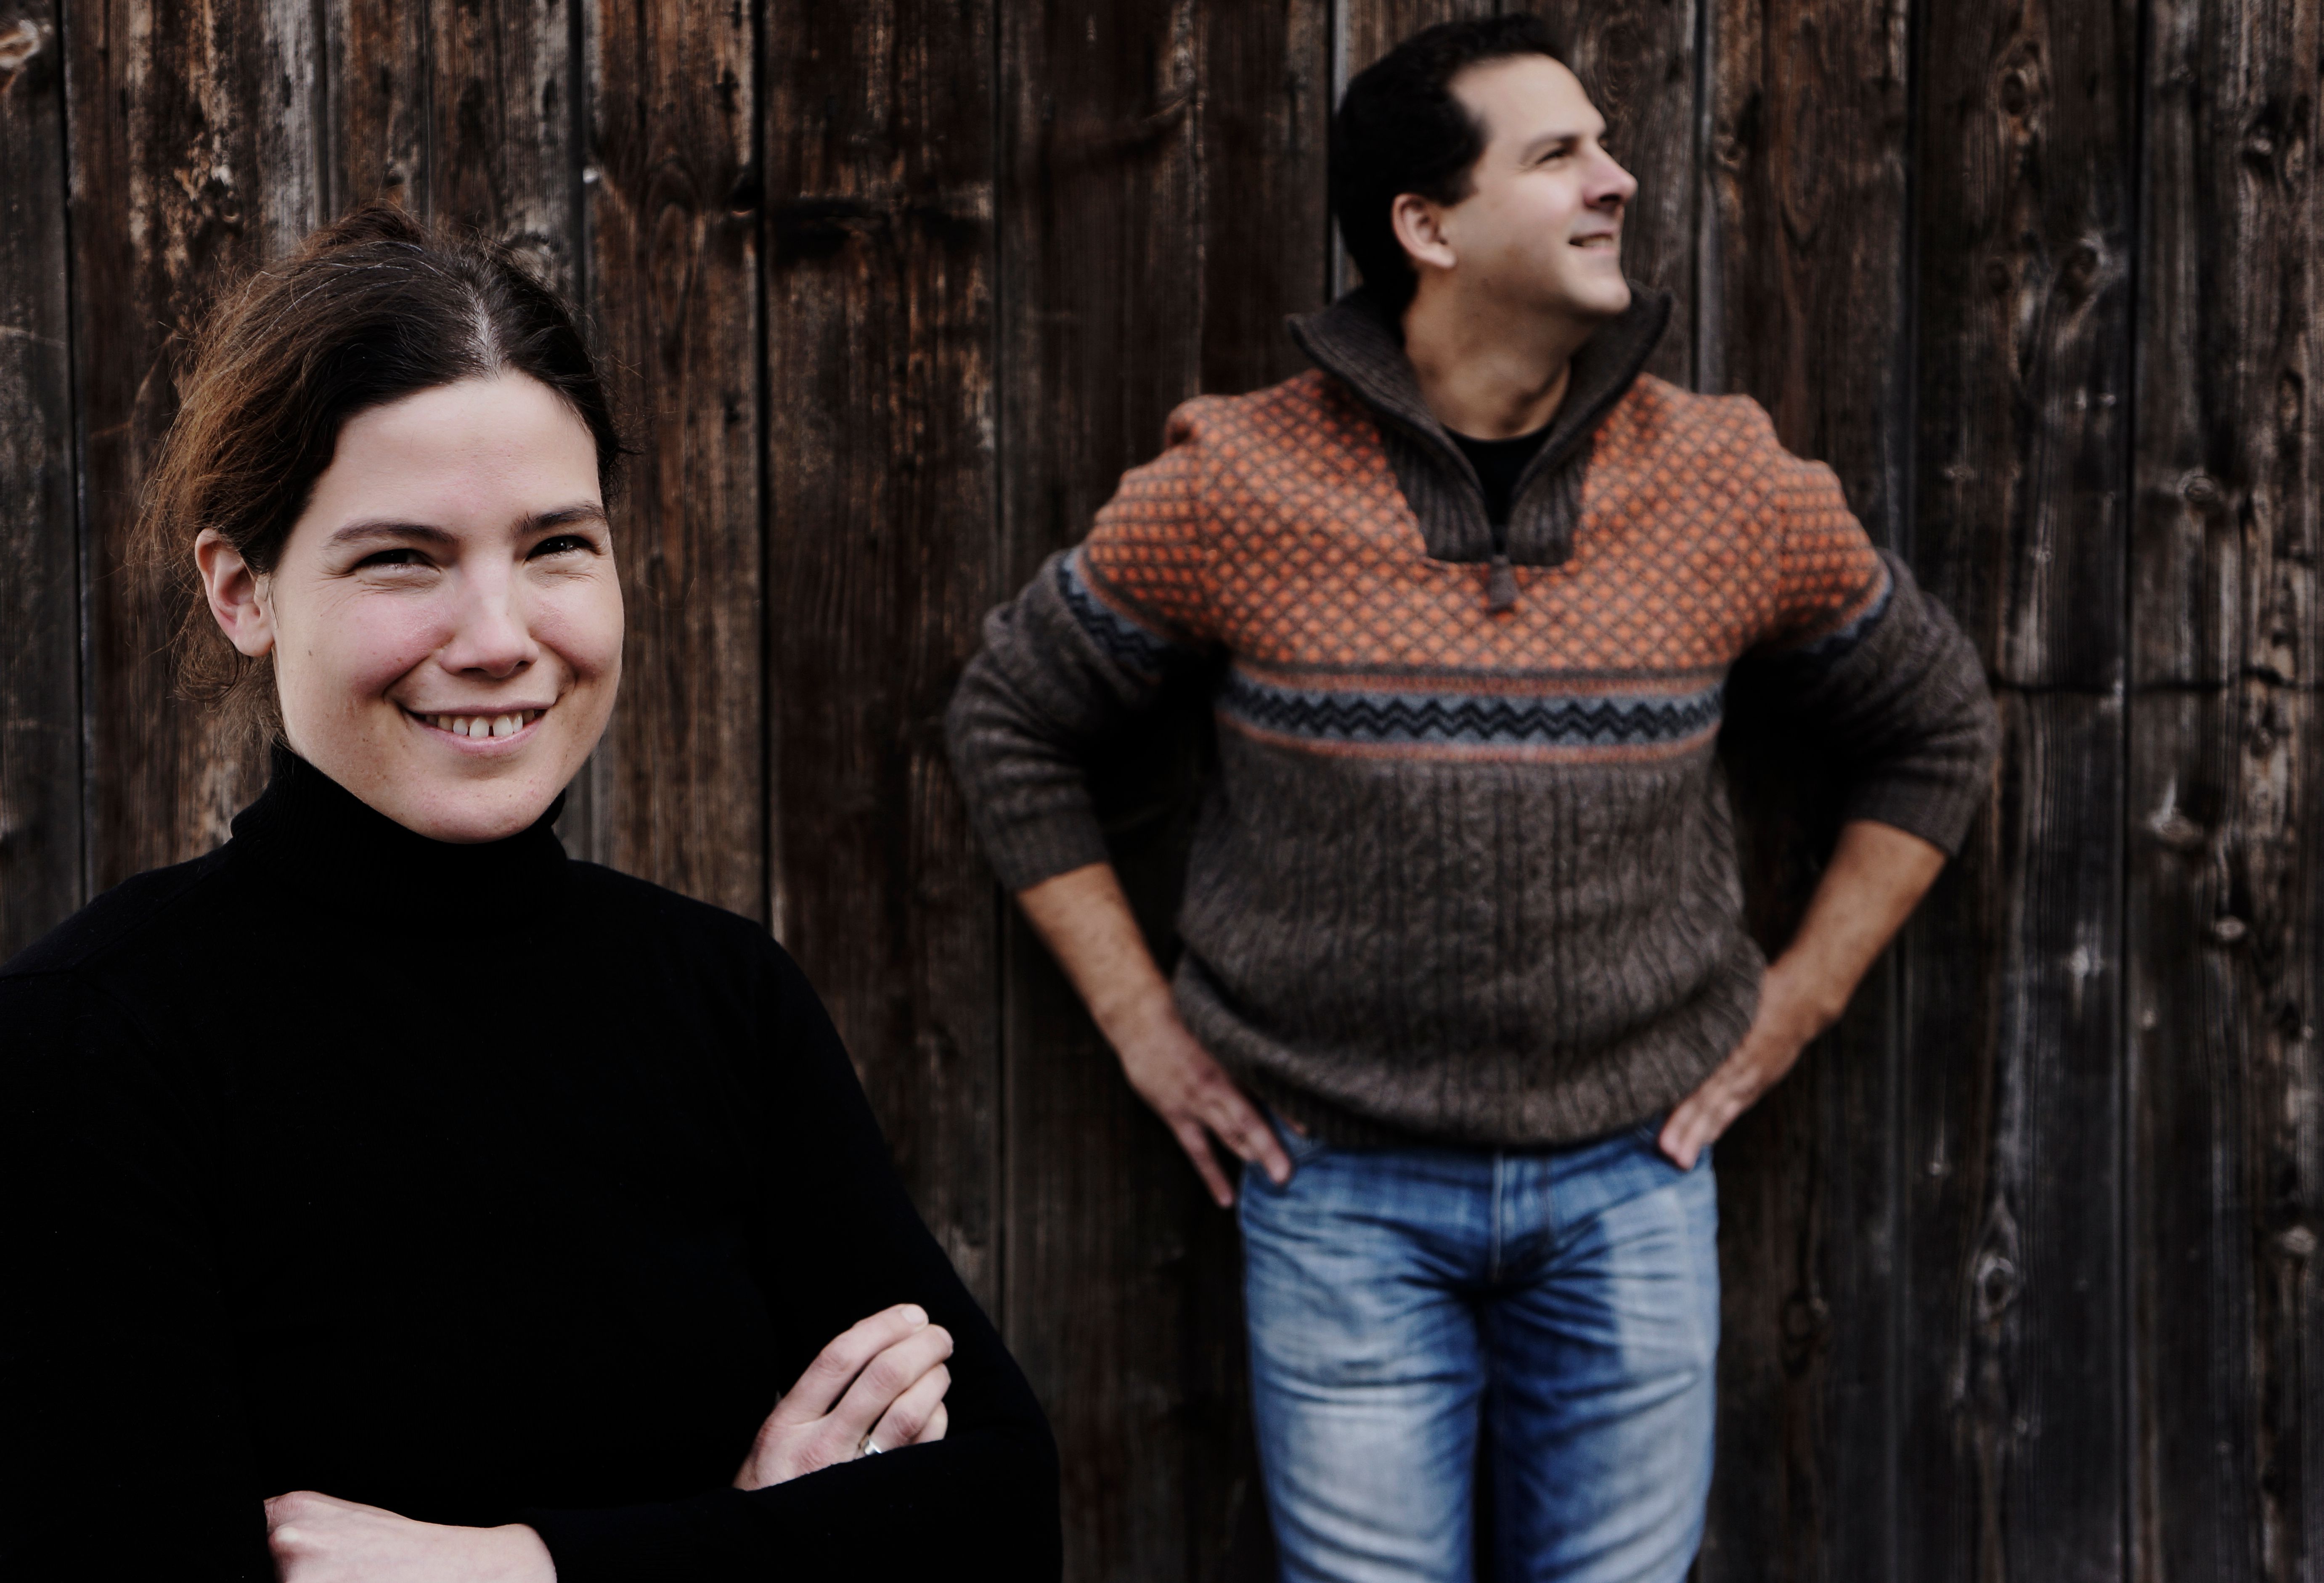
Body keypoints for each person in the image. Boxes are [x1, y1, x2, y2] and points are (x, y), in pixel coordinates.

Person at [945, 14, 1997, 1583]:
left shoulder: (1726, 482)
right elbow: (1013, 718)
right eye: (1560, 152)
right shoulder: (1241, 484)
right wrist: (1139, 1020)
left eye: (1609, 144)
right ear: (1426, 227)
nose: (1619, 179)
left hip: (1633, 1176)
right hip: (1336, 1187)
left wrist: (1797, 1003)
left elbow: (1936, 724)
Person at [0, 204, 1060, 1583]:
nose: (500, 640)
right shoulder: (88, 1048)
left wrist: (517, 1568)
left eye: (557, 544)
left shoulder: (723, 998)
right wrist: (770, 1532)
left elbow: (1002, 1511)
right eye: (404, 557)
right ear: (242, 591)